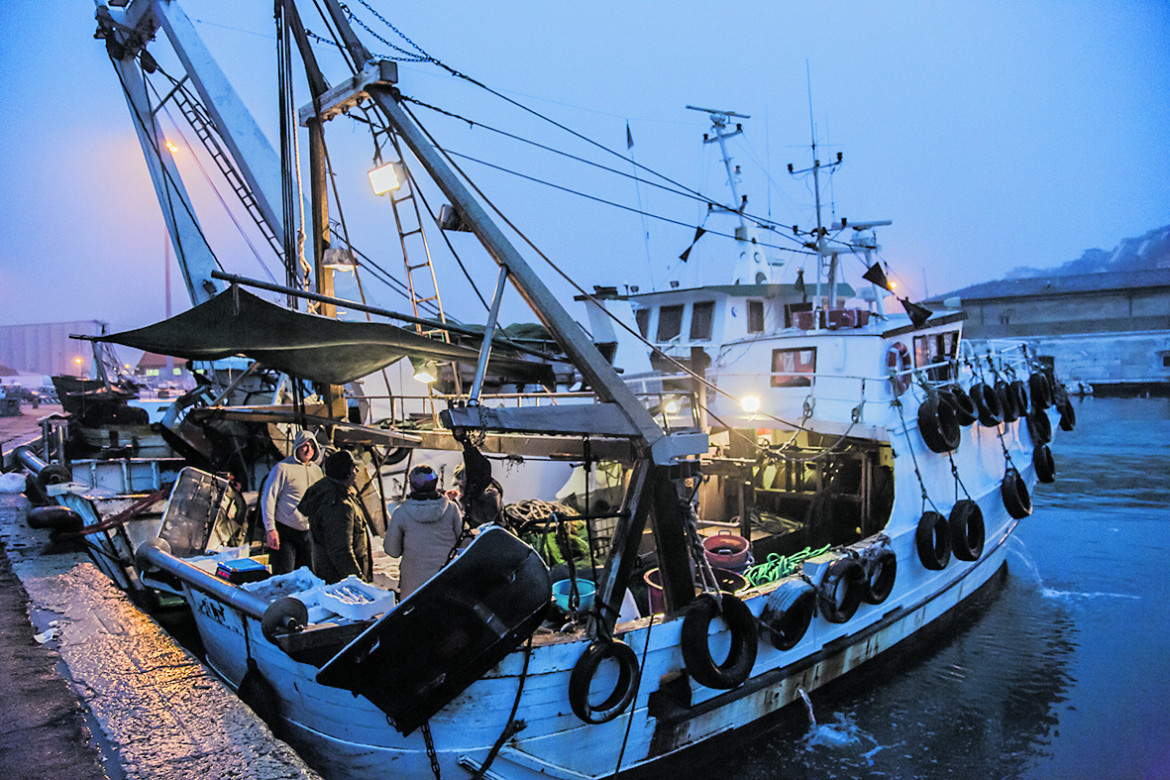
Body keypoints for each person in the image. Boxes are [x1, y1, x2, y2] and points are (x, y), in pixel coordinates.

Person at [384, 464, 464, 598]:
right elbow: (465, 543)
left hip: (413, 587)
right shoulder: (451, 509)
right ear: (435, 484)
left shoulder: (401, 512)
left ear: (412, 485)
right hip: (446, 580)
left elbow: (392, 551)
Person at [298, 449, 372, 584]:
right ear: (345, 473)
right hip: (341, 583)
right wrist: (358, 582)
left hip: (332, 577)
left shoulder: (331, 493)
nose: (357, 471)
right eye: (353, 468)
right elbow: (341, 551)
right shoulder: (338, 504)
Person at [260, 429, 322, 575]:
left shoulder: (317, 471)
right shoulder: (282, 468)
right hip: (285, 531)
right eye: (305, 446)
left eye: (312, 446)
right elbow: (268, 498)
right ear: (297, 447)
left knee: (308, 575)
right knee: (284, 575)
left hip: (308, 533)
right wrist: (270, 529)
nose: (308, 450)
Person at [448, 461, 503, 529]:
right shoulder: (468, 492)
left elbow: (485, 519)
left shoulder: (490, 492)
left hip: (493, 534)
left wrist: (463, 499)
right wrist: (453, 500)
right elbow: (464, 515)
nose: (459, 488)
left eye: (461, 485)